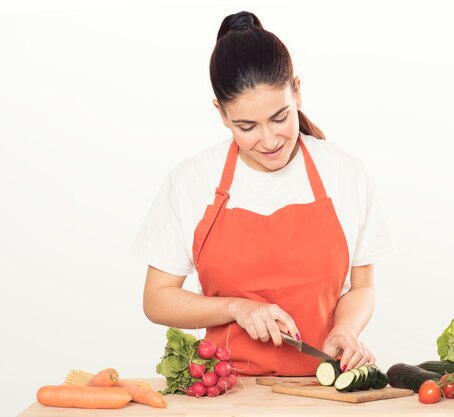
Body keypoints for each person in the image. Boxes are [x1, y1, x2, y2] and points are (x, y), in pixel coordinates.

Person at [132, 10, 395, 376]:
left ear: (297, 91)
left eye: (279, 118)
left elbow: (363, 286)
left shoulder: (345, 173)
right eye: (246, 126)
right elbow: (156, 298)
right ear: (221, 115)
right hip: (225, 392)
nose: (270, 141)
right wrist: (235, 308)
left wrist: (344, 330)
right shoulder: (190, 181)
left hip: (324, 389)